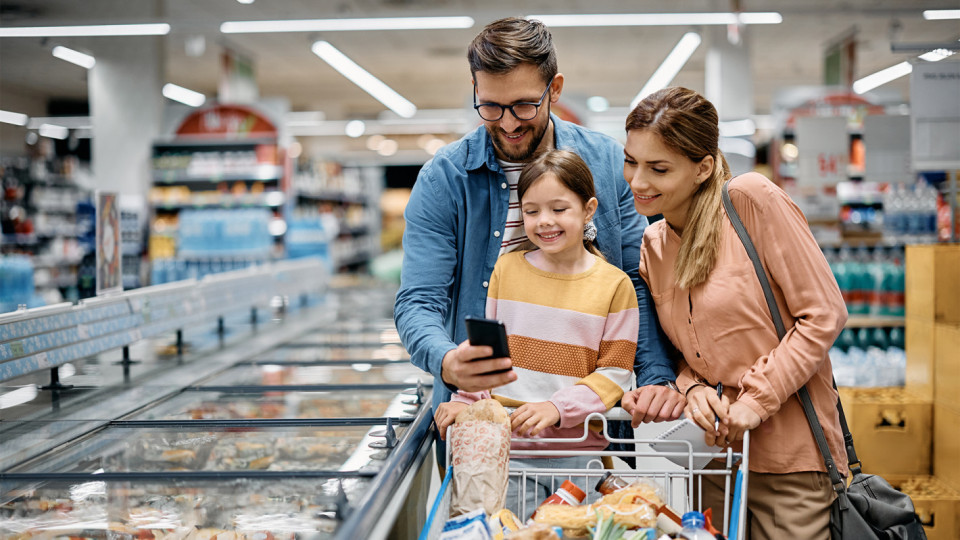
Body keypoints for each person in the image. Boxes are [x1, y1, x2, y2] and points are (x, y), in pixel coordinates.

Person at [393, 17, 683, 467]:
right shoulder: (445, 178)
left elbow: (634, 284)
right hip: (485, 428)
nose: (508, 123)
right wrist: (447, 360)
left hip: (592, 429)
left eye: (524, 105)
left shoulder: (608, 163)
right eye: (490, 106)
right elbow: (418, 301)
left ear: (556, 89)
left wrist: (658, 378)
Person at [620, 86, 848, 540]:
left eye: (658, 168)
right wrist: (692, 390)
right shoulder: (654, 246)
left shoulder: (750, 201)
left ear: (703, 167)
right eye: (631, 161)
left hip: (790, 463)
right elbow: (684, 350)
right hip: (712, 461)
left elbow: (823, 314)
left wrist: (753, 403)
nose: (637, 182)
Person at [434, 150, 638, 517]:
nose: (545, 221)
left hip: (579, 456)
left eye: (559, 209)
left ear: (588, 209)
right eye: (532, 211)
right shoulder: (507, 269)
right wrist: (465, 401)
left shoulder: (614, 284)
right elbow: (490, 355)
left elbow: (615, 374)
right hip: (509, 454)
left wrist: (557, 407)